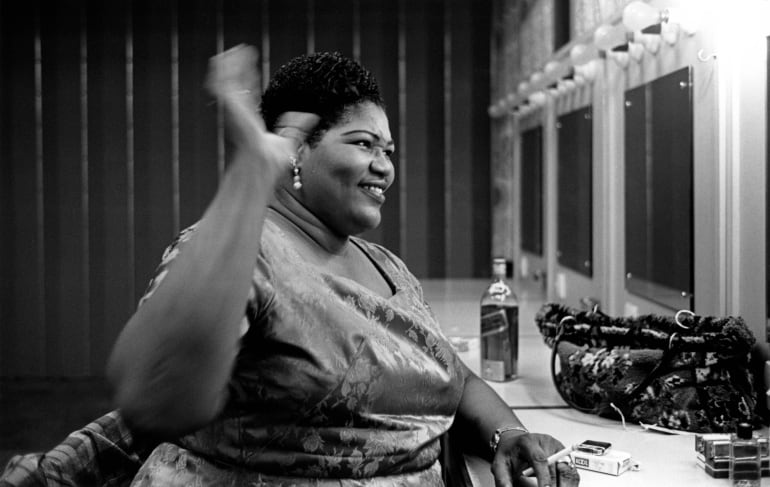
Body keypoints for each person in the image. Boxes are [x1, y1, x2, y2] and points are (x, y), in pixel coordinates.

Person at [2, 46, 579, 487]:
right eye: (362, 144)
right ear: (297, 152)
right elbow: (154, 395)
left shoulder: (386, 266)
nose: (384, 167)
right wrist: (251, 175)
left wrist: (509, 433)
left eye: (389, 150)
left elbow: (449, 373)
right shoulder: (238, 248)